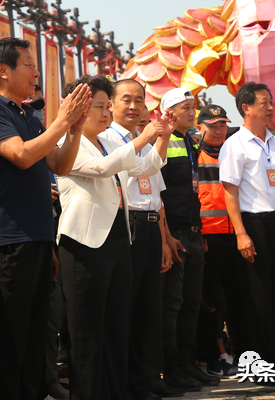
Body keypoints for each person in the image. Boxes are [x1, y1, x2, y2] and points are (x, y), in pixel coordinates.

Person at [0, 37, 90, 400]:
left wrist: (75, 128)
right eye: (29, 65)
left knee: (36, 338)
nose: (37, 72)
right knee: (10, 339)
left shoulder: (28, 115)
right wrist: (61, 121)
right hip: (5, 240)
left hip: (36, 238)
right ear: (2, 71)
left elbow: (59, 165)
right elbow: (20, 155)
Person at [56, 75, 172, 400]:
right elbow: (103, 169)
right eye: (99, 106)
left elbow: (146, 167)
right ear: (77, 106)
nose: (106, 113)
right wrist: (142, 136)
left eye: (108, 106)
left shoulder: (108, 141)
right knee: (88, 335)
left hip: (119, 240)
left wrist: (161, 137)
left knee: (116, 329)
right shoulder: (68, 140)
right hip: (84, 244)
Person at [218, 82, 275, 379]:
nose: (271, 107)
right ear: (246, 107)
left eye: (271, 102)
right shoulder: (234, 144)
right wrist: (241, 234)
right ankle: (260, 365)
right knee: (257, 298)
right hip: (254, 225)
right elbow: (230, 193)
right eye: (264, 102)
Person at [100, 78, 175, 400]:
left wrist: (163, 239)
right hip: (122, 227)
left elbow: (152, 182)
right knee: (124, 311)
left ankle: (140, 382)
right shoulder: (105, 139)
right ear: (112, 105)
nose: (133, 106)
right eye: (126, 100)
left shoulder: (138, 139)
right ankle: (124, 386)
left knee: (146, 310)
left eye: (139, 101)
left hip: (147, 226)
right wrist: (147, 137)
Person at [159, 88, 220, 391]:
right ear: (168, 111)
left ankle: (189, 363)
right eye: (185, 107)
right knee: (173, 304)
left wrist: (199, 230)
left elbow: (192, 190)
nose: (192, 112)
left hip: (193, 233)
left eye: (193, 106)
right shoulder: (163, 140)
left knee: (192, 305)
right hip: (174, 233)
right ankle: (172, 369)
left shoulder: (188, 140)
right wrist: (167, 234)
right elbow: (158, 192)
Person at [194, 104, 242, 377]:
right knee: (211, 302)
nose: (218, 130)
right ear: (200, 127)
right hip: (207, 236)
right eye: (212, 125)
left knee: (235, 299)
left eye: (222, 125)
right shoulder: (195, 154)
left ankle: (235, 351)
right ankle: (215, 356)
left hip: (235, 234)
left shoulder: (233, 152)